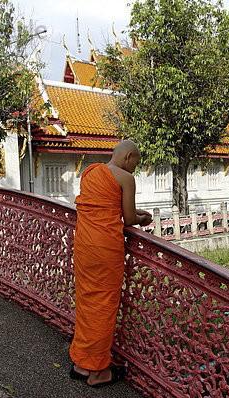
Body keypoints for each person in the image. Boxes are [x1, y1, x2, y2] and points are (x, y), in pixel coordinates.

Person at [69, 140, 152, 388]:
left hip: (84, 245)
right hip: (105, 249)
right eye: (135, 164)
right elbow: (129, 217)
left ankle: (82, 363)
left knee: (87, 303)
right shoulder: (125, 178)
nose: (134, 170)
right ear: (128, 157)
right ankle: (98, 372)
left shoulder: (91, 172)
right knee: (104, 307)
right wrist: (144, 217)